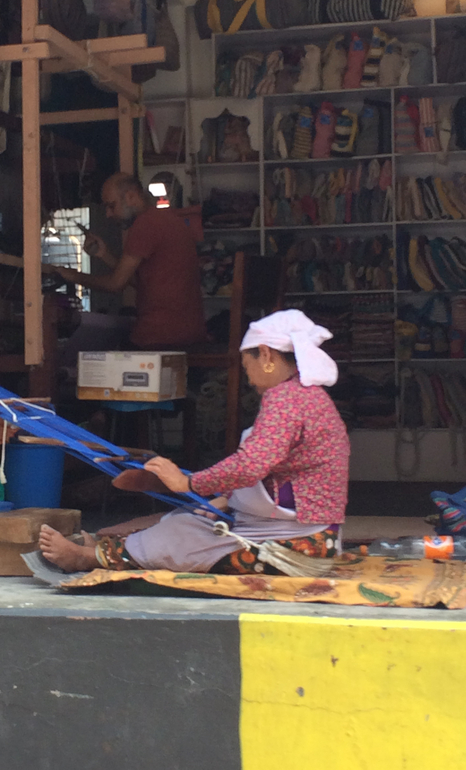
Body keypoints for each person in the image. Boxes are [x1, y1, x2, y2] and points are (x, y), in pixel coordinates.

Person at [39, 309, 351, 575]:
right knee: (186, 520)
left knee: (182, 535)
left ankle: (87, 558)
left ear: (266, 355)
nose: (250, 378)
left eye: (248, 367)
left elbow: (252, 465)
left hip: (298, 547)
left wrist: (188, 484)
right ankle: (111, 550)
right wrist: (224, 499)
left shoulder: (287, 399)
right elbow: (277, 465)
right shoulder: (303, 396)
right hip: (314, 538)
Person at [48, 172, 206, 349]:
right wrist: (104, 254)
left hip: (161, 336)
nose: (108, 214)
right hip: (189, 331)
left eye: (111, 206)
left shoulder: (145, 224)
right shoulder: (169, 219)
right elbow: (143, 283)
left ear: (131, 196)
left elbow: (116, 284)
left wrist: (73, 276)